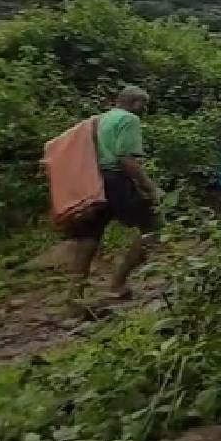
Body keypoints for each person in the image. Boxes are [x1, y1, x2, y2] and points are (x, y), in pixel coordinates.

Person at [68, 85, 164, 300]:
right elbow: (125, 159)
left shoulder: (99, 119)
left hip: (96, 180)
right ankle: (117, 284)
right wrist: (150, 186)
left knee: (90, 236)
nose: (144, 110)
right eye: (144, 105)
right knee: (153, 227)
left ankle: (74, 296)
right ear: (135, 103)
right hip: (117, 180)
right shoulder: (129, 119)